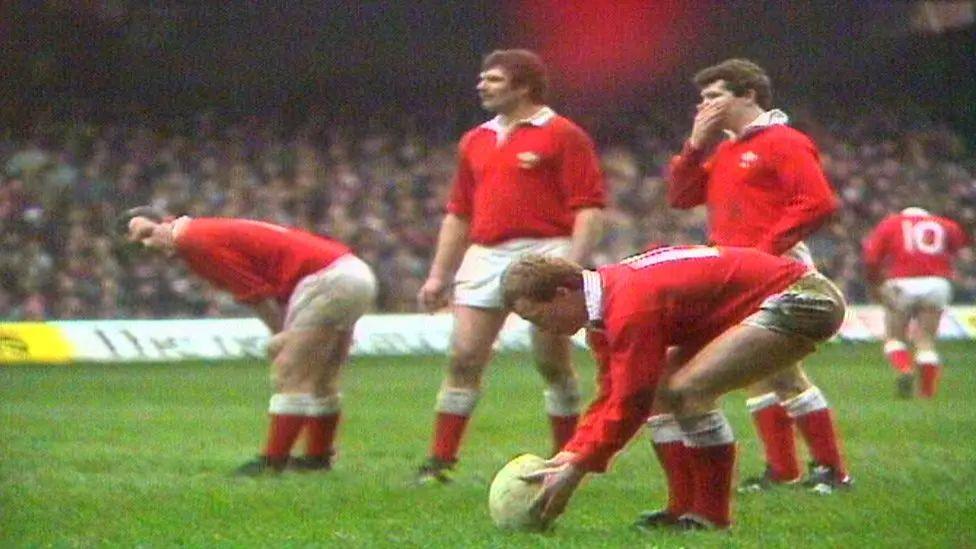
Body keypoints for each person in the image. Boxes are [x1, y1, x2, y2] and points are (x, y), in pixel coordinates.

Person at [504, 246, 845, 530]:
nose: (544, 330)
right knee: (663, 390)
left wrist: (577, 470)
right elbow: (612, 392)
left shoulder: (628, 306)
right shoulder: (608, 303)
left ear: (563, 294)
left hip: (805, 298)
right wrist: (571, 454)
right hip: (780, 297)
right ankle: (681, 509)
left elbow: (632, 401)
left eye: (538, 317)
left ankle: (712, 517)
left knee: (687, 390)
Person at [414, 49, 606, 483]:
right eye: (483, 78)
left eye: (494, 79)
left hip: (545, 251)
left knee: (551, 361)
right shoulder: (475, 139)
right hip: (485, 255)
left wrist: (571, 265)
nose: (482, 85)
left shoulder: (562, 134)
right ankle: (439, 461)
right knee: (464, 356)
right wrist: (439, 274)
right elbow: (459, 213)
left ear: (524, 87)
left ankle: (568, 455)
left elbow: (589, 207)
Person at [664, 58, 849, 493]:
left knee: (783, 373)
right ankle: (784, 470)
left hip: (777, 272)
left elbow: (817, 201)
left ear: (748, 95)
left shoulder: (783, 141)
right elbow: (681, 196)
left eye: (714, 96)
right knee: (759, 373)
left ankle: (831, 470)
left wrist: (761, 253)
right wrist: (694, 147)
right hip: (735, 273)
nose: (704, 106)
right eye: (702, 98)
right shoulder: (727, 149)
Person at [118, 207, 377, 474]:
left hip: (326, 280)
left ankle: (273, 462)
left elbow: (254, 293)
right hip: (349, 270)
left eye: (147, 233)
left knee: (290, 371)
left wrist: (282, 335)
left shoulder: (191, 241)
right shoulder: (203, 230)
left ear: (167, 221)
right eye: (139, 246)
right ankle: (317, 458)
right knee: (322, 377)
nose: (148, 245)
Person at [862, 207, 969, 398]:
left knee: (895, 337)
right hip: (936, 283)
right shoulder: (946, 225)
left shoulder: (891, 223)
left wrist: (876, 283)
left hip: (902, 283)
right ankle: (926, 394)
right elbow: (959, 250)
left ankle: (904, 369)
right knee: (926, 340)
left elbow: (871, 259)